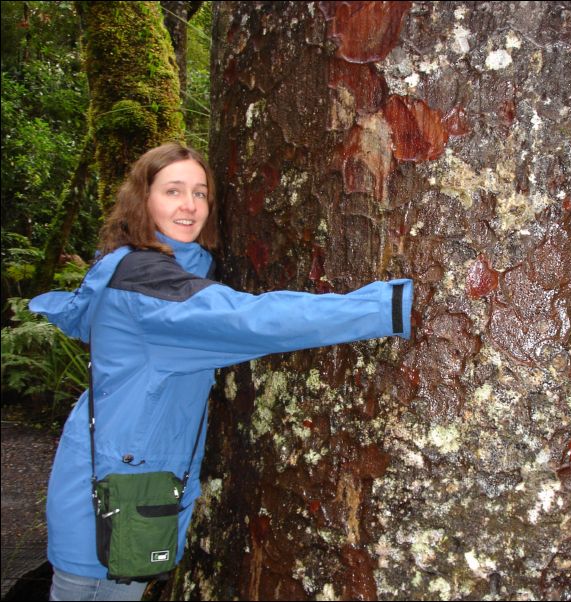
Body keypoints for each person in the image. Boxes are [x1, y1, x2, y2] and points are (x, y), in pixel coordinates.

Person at [29, 142, 413, 601]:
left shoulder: (153, 270)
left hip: (125, 487)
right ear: (142, 199)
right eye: (173, 191)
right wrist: (385, 308)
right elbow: (255, 321)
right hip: (109, 504)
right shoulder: (150, 287)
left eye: (200, 192)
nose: (190, 205)